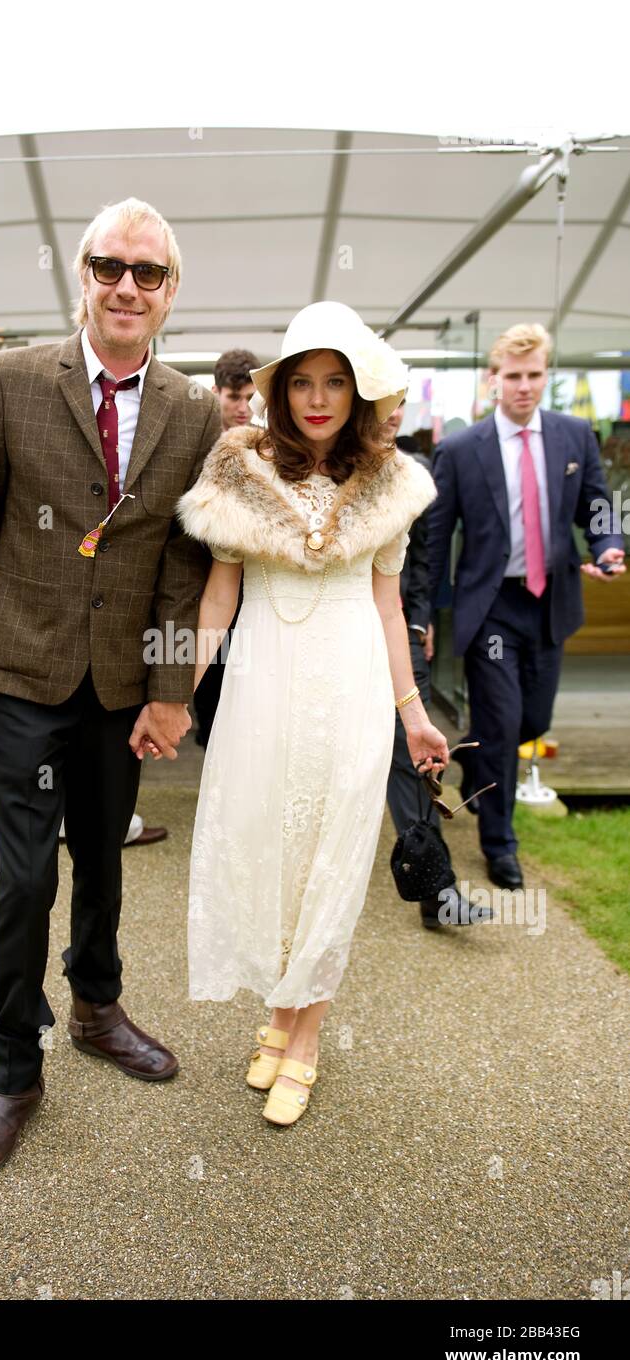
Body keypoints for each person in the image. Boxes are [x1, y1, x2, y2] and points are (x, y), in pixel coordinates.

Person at [0, 196, 221, 1176]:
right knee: (25, 878)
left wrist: (172, 689)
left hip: (119, 688)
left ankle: (96, 1005)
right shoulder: (13, 380)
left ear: (171, 292)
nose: (127, 286)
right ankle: (13, 1068)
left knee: (101, 861)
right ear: (82, 276)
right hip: (18, 677)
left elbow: (185, 565)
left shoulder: (191, 410)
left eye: (148, 272)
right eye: (110, 266)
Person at [176, 301, 448, 1127]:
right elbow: (218, 595)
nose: (318, 398)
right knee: (270, 847)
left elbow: (389, 607)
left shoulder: (392, 481)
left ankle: (305, 1041)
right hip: (262, 681)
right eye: (303, 382)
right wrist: (172, 690)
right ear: (281, 390)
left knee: (331, 856)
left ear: (359, 391)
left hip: (352, 683)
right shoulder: (238, 469)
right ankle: (281, 1010)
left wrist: (414, 713)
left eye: (335, 382)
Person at [429, 323, 625, 889]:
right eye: (512, 376)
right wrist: (422, 616)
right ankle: (500, 844)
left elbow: (596, 507)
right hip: (491, 607)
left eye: (534, 375)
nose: (524, 386)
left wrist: (609, 546)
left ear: (546, 375)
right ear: (494, 381)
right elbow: (438, 541)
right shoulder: (462, 450)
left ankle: (476, 758)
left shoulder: (574, 435)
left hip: (551, 602)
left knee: (532, 721)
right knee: (504, 719)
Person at [382, 405, 492, 929]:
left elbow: (426, 560)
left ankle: (437, 891)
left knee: (413, 756)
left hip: (400, 633)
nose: (391, 416)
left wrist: (420, 626)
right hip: (327, 643)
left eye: (398, 406)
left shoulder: (415, 474)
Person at [193, 348, 261, 746]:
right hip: (201, 584)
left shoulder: (265, 447)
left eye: (250, 397)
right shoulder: (197, 444)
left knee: (247, 687)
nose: (243, 407)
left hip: (251, 586)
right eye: (234, 397)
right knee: (210, 687)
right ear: (215, 392)